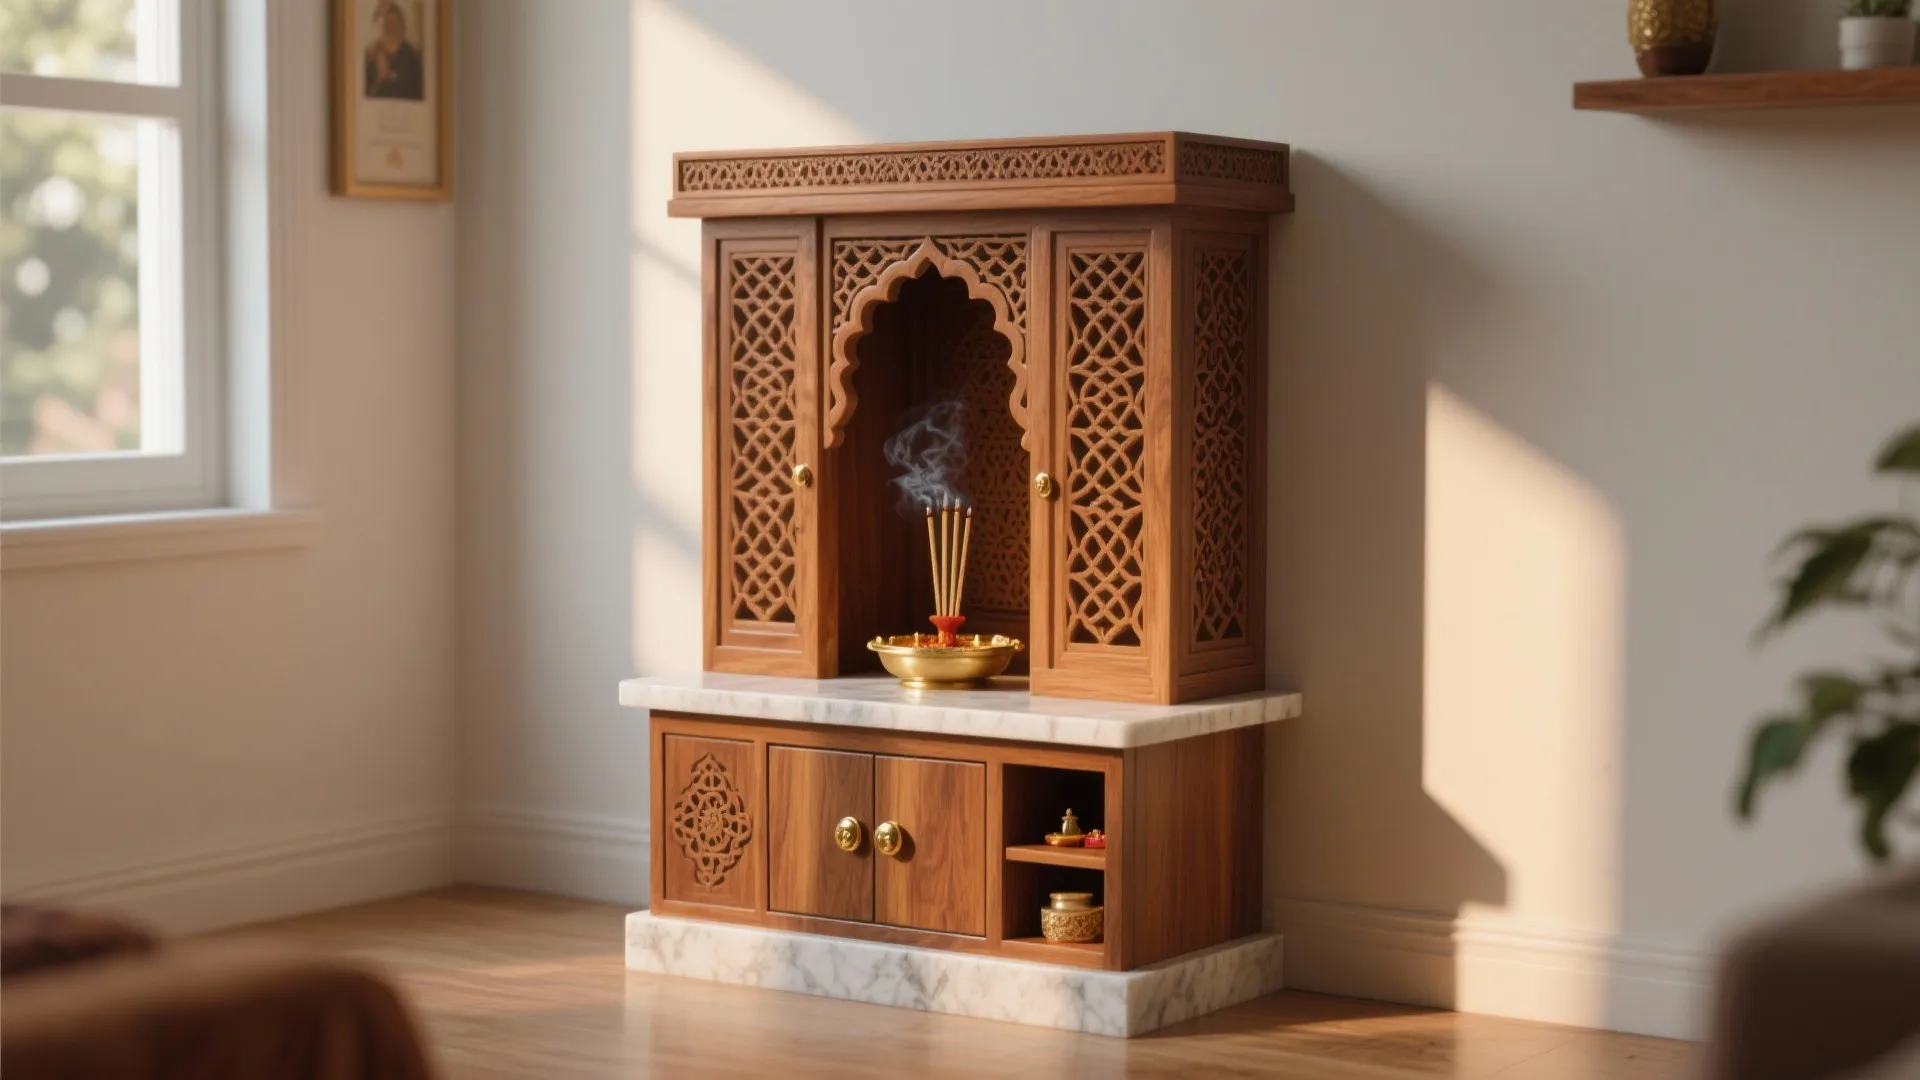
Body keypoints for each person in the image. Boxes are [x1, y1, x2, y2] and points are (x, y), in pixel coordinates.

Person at [364, 2, 424, 101]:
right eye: (388, 24)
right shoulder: (372, 55)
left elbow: (418, 94)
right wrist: (379, 78)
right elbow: (365, 96)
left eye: (395, 23)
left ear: (402, 26)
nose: (392, 27)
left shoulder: (412, 56)